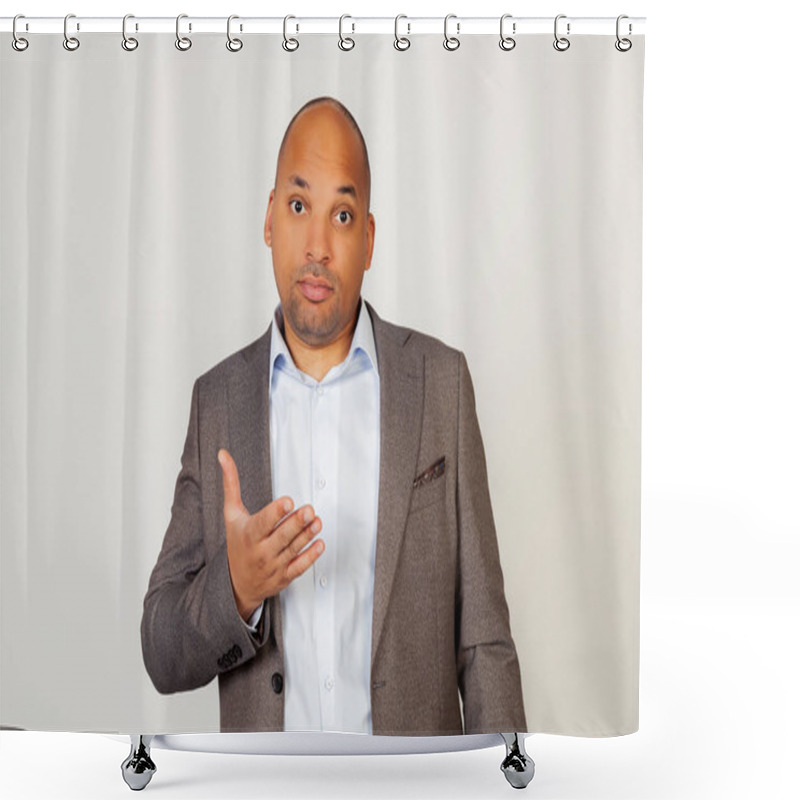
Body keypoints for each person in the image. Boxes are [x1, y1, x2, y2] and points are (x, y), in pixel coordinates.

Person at [141, 96, 527, 736]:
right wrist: (235, 588)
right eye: (298, 207)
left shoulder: (440, 385)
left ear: (368, 239)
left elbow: (485, 643)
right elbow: (160, 650)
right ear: (269, 219)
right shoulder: (217, 402)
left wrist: (512, 778)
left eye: (342, 215)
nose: (317, 245)